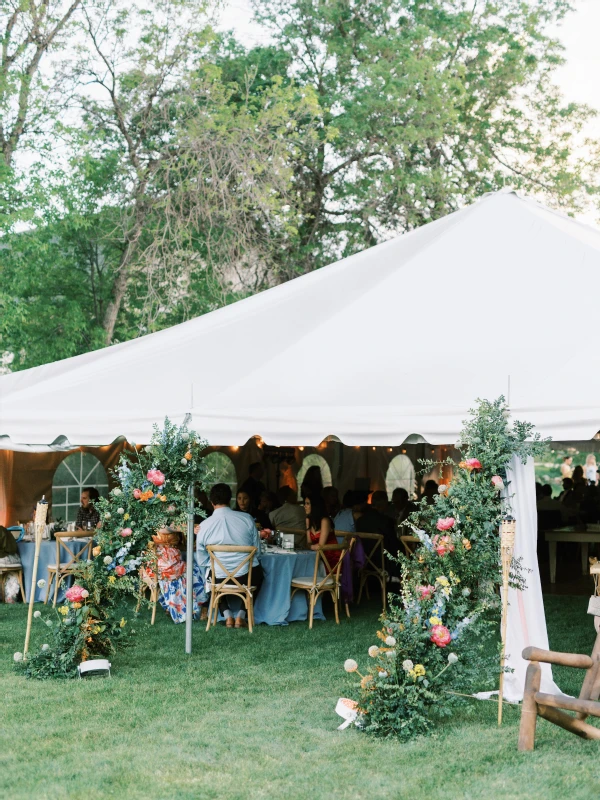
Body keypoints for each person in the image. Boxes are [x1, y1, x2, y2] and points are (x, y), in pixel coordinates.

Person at [196, 483, 263, 629]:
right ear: (230, 499)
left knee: (209, 574)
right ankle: (241, 615)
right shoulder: (247, 519)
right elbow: (257, 551)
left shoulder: (204, 525)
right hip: (246, 577)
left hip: (218, 578)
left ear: (211, 502)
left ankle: (226, 615)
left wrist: (220, 566)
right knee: (259, 572)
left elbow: (201, 560)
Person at [143, 530, 207, 624]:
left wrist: (188, 547)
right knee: (194, 570)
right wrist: (183, 527)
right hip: (162, 564)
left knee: (191, 568)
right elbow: (165, 529)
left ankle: (175, 606)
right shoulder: (160, 521)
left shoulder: (172, 524)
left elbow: (174, 544)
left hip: (165, 561)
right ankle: (196, 607)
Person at [304, 494, 341, 568]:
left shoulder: (325, 521)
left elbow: (321, 546)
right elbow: (308, 543)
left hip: (330, 559)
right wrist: (312, 547)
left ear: (315, 506)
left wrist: (311, 547)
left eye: (307, 503)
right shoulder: (308, 520)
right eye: (305, 503)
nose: (305, 506)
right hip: (317, 557)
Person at [0, 525, 22, 603]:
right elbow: (12, 548)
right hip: (4, 558)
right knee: (17, 564)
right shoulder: (2, 530)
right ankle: (11, 597)